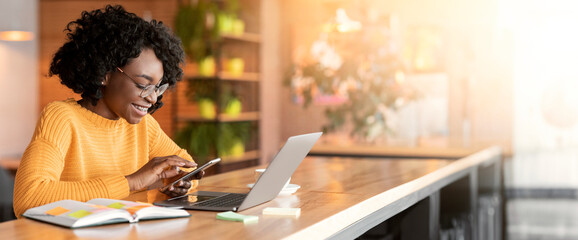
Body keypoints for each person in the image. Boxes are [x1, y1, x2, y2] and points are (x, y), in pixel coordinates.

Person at [13, 5, 202, 217]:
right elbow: (28, 198)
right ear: (104, 73)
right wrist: (131, 182)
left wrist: (177, 181)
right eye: (143, 84)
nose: (152, 98)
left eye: (158, 87)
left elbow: (186, 165)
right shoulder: (62, 118)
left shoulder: (143, 126)